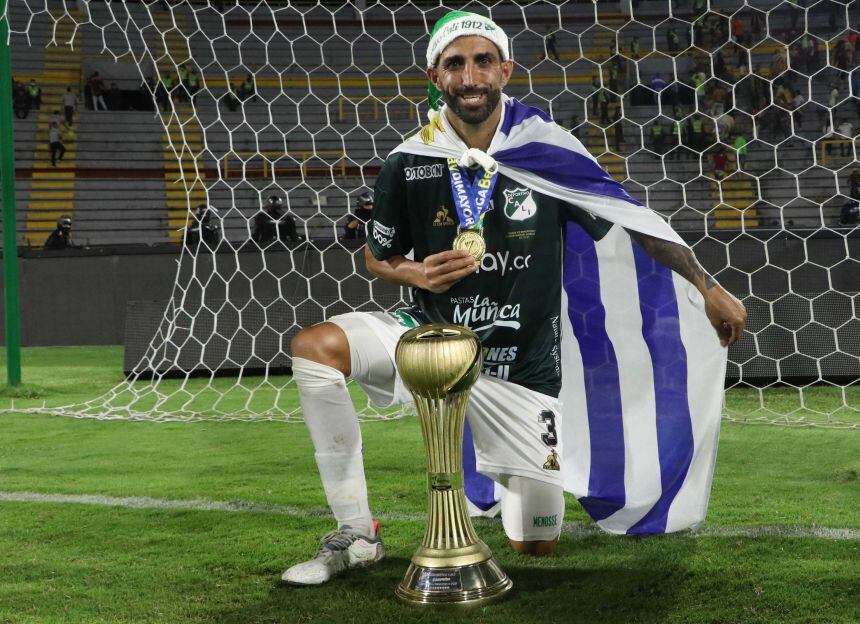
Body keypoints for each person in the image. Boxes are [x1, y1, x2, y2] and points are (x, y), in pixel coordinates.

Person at [280, 10, 745, 587]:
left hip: (521, 373)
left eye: (483, 61)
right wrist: (419, 273)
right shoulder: (409, 160)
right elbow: (379, 257)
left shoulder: (546, 148)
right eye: (455, 64)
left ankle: (504, 471)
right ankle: (356, 533)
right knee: (316, 348)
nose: (470, 76)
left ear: (505, 70)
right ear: (435, 77)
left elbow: (629, 218)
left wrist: (707, 286)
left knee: (534, 542)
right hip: (431, 345)